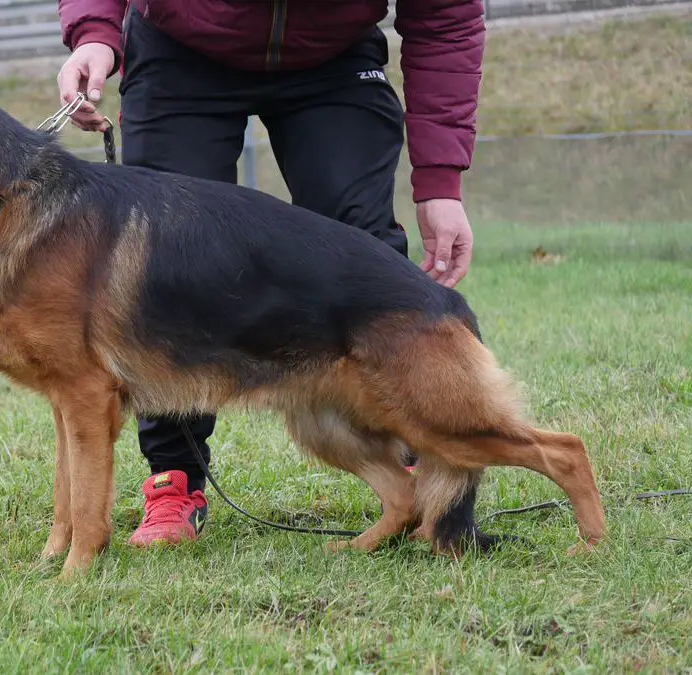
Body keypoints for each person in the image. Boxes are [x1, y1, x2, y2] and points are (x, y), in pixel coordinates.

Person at [55, 0, 485, 547]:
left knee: (365, 242)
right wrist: (94, 34)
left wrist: (441, 183)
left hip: (331, 51)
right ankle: (174, 478)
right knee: (166, 267)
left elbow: (444, 14)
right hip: (185, 47)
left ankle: (406, 460)